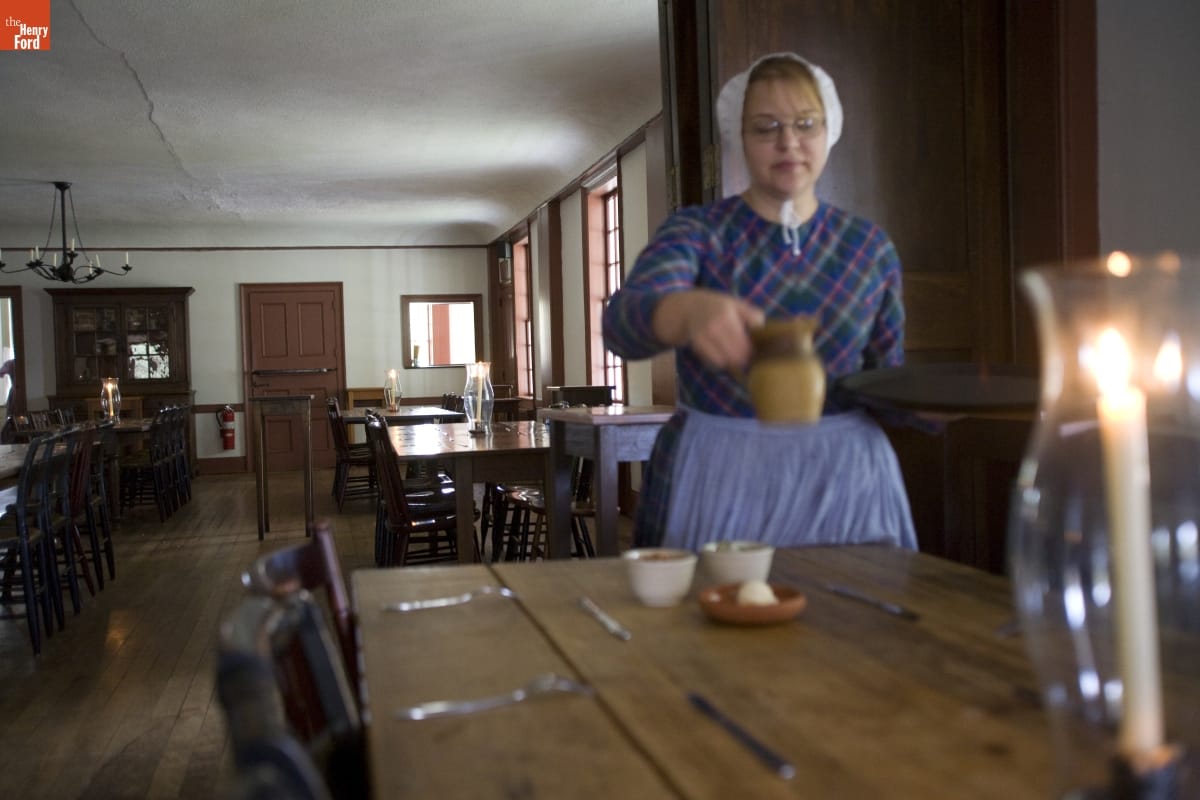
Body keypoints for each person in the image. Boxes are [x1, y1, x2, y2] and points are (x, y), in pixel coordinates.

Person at [602, 52, 916, 551]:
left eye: (805, 123)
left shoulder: (869, 247)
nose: (788, 142)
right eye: (766, 127)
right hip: (716, 472)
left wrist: (939, 405)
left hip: (845, 478)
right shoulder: (697, 232)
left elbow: (885, 377)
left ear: (829, 129)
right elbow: (621, 323)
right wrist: (683, 312)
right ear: (739, 136)